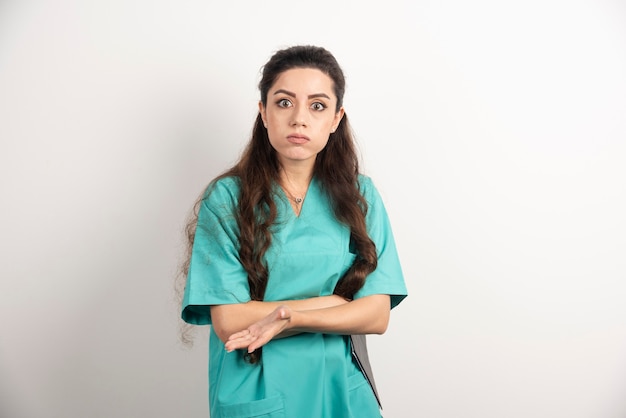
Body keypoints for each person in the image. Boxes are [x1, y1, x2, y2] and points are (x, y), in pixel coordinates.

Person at [179, 45, 407, 418]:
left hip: (342, 388)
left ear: (336, 119)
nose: (299, 118)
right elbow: (230, 321)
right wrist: (337, 305)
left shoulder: (360, 196)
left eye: (317, 106)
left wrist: (287, 316)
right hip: (258, 386)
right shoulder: (227, 199)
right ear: (263, 113)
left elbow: (376, 315)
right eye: (284, 102)